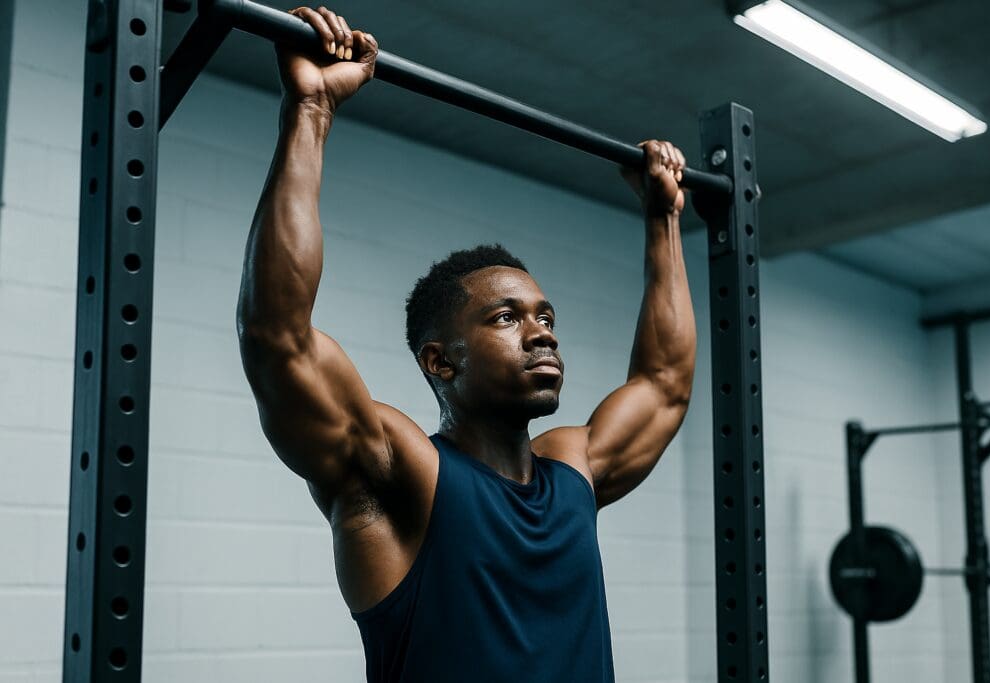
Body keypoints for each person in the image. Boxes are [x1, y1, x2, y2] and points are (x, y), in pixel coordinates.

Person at [236, 6, 696, 682]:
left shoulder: (573, 468)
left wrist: (663, 218)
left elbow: (664, 382)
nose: (542, 330)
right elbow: (278, 339)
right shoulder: (403, 475)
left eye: (546, 315)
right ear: (440, 360)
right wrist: (310, 110)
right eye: (507, 317)